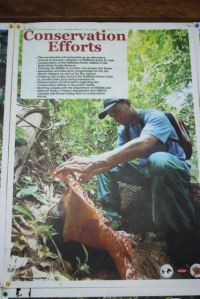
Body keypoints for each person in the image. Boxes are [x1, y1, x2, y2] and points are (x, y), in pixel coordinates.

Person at [54, 98, 200, 266]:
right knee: (110, 165)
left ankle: (178, 236)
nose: (115, 117)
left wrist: (94, 161)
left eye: (116, 111)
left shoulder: (155, 116)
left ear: (128, 102)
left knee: (158, 159)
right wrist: (88, 171)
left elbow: (144, 144)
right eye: (111, 115)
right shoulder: (124, 129)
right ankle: (112, 222)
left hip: (172, 168)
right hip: (147, 171)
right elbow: (115, 159)